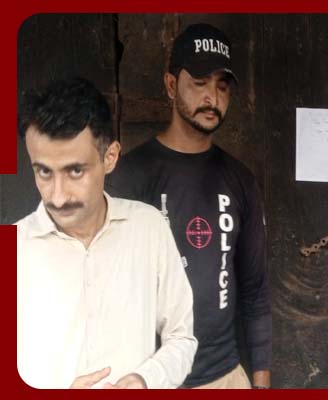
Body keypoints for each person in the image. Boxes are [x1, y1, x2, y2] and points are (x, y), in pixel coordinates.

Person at [106, 23, 271, 389]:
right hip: (149, 378)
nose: (212, 96)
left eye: (222, 86)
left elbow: (255, 291)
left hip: (225, 376)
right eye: (199, 82)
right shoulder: (128, 177)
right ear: (170, 85)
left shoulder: (240, 180)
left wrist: (260, 384)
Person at [16, 77, 197, 389]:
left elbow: (182, 338)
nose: (58, 196)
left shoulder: (149, 227)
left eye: (75, 171)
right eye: (44, 172)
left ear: (110, 157)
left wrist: (145, 380)